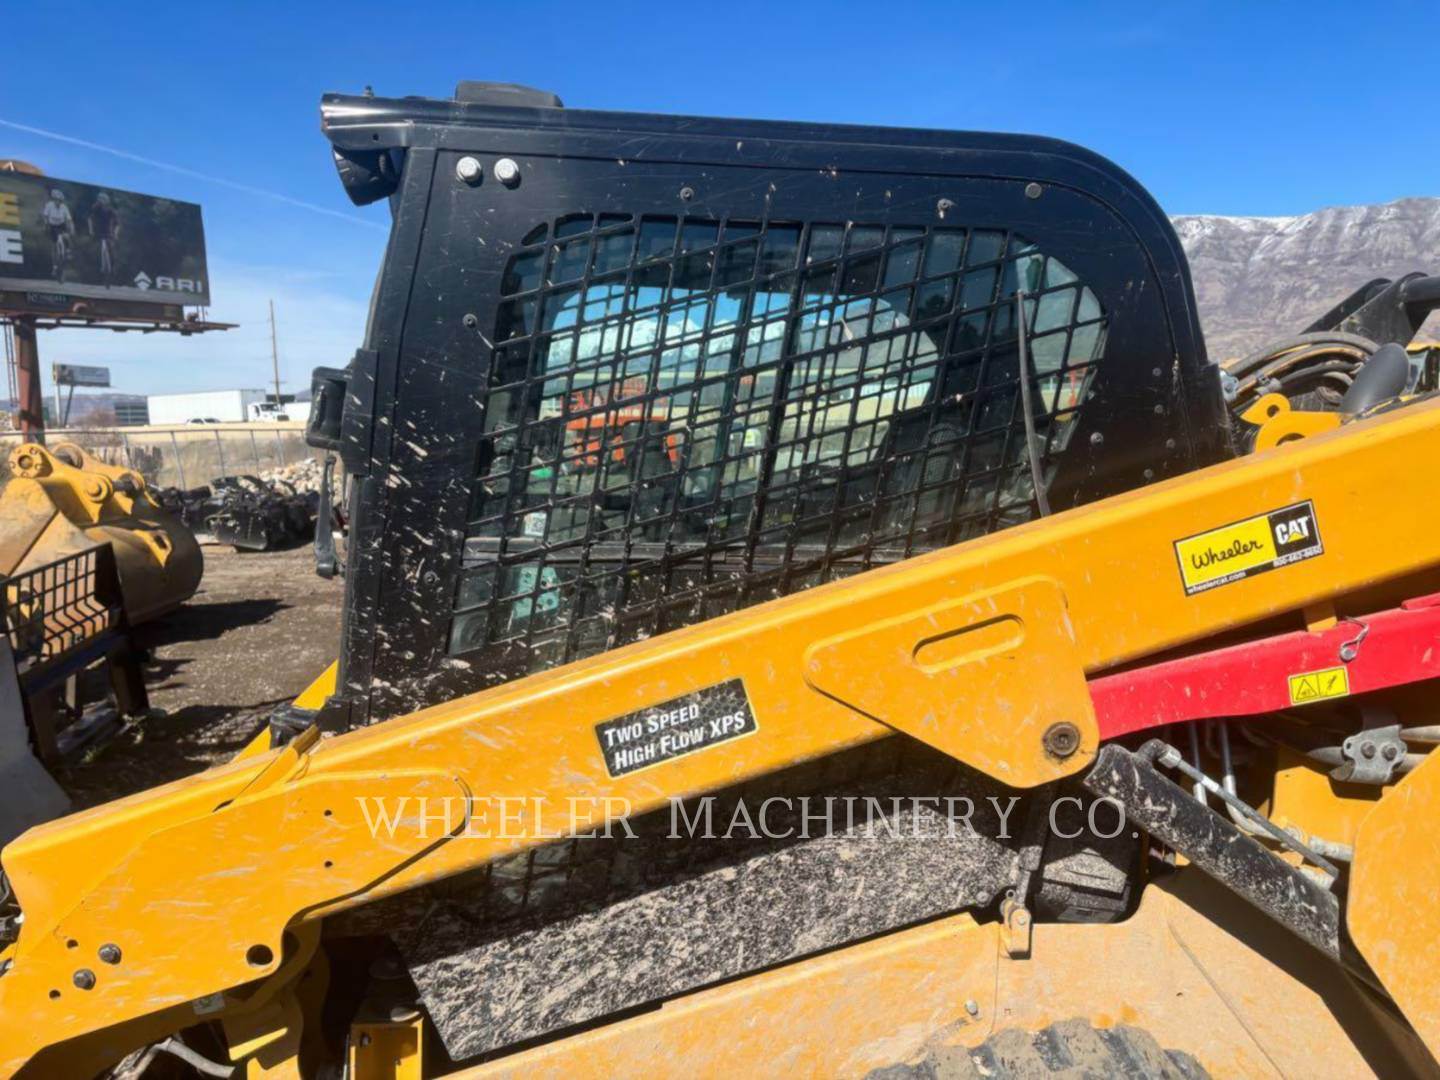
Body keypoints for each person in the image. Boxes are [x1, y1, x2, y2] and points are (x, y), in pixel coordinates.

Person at [40, 188, 74, 277]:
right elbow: (45, 216)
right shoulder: (49, 205)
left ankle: (68, 251)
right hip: (52, 226)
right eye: (56, 200)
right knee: (54, 247)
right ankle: (54, 268)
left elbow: (69, 219)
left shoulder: (64, 207)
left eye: (60, 201)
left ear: (61, 201)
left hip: (61, 225)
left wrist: (71, 228)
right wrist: (45, 224)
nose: (58, 202)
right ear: (54, 199)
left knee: (67, 236)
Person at [88, 192, 119, 281]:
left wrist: (116, 233)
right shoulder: (95, 208)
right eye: (100, 200)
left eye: (103, 200)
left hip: (108, 233)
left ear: (107, 201)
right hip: (98, 233)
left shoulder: (111, 210)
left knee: (111, 249)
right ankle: (98, 268)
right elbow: (90, 219)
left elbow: (117, 224)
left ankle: (113, 267)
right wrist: (90, 230)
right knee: (95, 250)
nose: (101, 202)